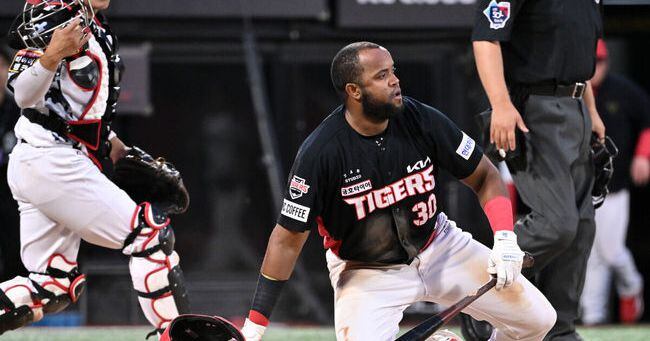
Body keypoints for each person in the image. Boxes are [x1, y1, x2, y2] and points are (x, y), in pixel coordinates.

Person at [240, 41, 556, 341]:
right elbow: (287, 240)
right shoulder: (321, 152)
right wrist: (255, 325)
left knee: (538, 319)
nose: (395, 81)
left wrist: (503, 238)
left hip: (440, 245)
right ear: (354, 91)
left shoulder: (421, 118)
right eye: (381, 76)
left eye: (392, 71)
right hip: (367, 270)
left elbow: (485, 176)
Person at [0, 1, 189, 337]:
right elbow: (23, 95)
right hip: (51, 159)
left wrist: (117, 149)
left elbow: (77, 110)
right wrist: (51, 54)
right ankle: (177, 334)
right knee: (148, 236)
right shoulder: (53, 13)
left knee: (53, 285)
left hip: (49, 158)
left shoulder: (93, 21)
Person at [470, 0, 605, 340]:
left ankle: (558, 331)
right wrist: (501, 104)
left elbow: (577, 60)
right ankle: (481, 297)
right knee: (556, 225)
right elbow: (486, 37)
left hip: (576, 107)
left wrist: (591, 111)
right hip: (534, 108)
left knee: (582, 229)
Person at [580, 40, 647, 325]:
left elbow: (647, 121)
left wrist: (643, 156)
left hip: (615, 185)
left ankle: (631, 286)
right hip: (581, 187)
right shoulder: (570, 92)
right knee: (591, 255)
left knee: (610, 250)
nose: (598, 68)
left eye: (602, 61)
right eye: (592, 62)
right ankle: (594, 316)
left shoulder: (622, 90)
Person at [0, 47, 28, 282]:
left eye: (1, 66)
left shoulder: (19, 110)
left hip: (12, 192)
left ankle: (10, 305)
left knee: (14, 246)